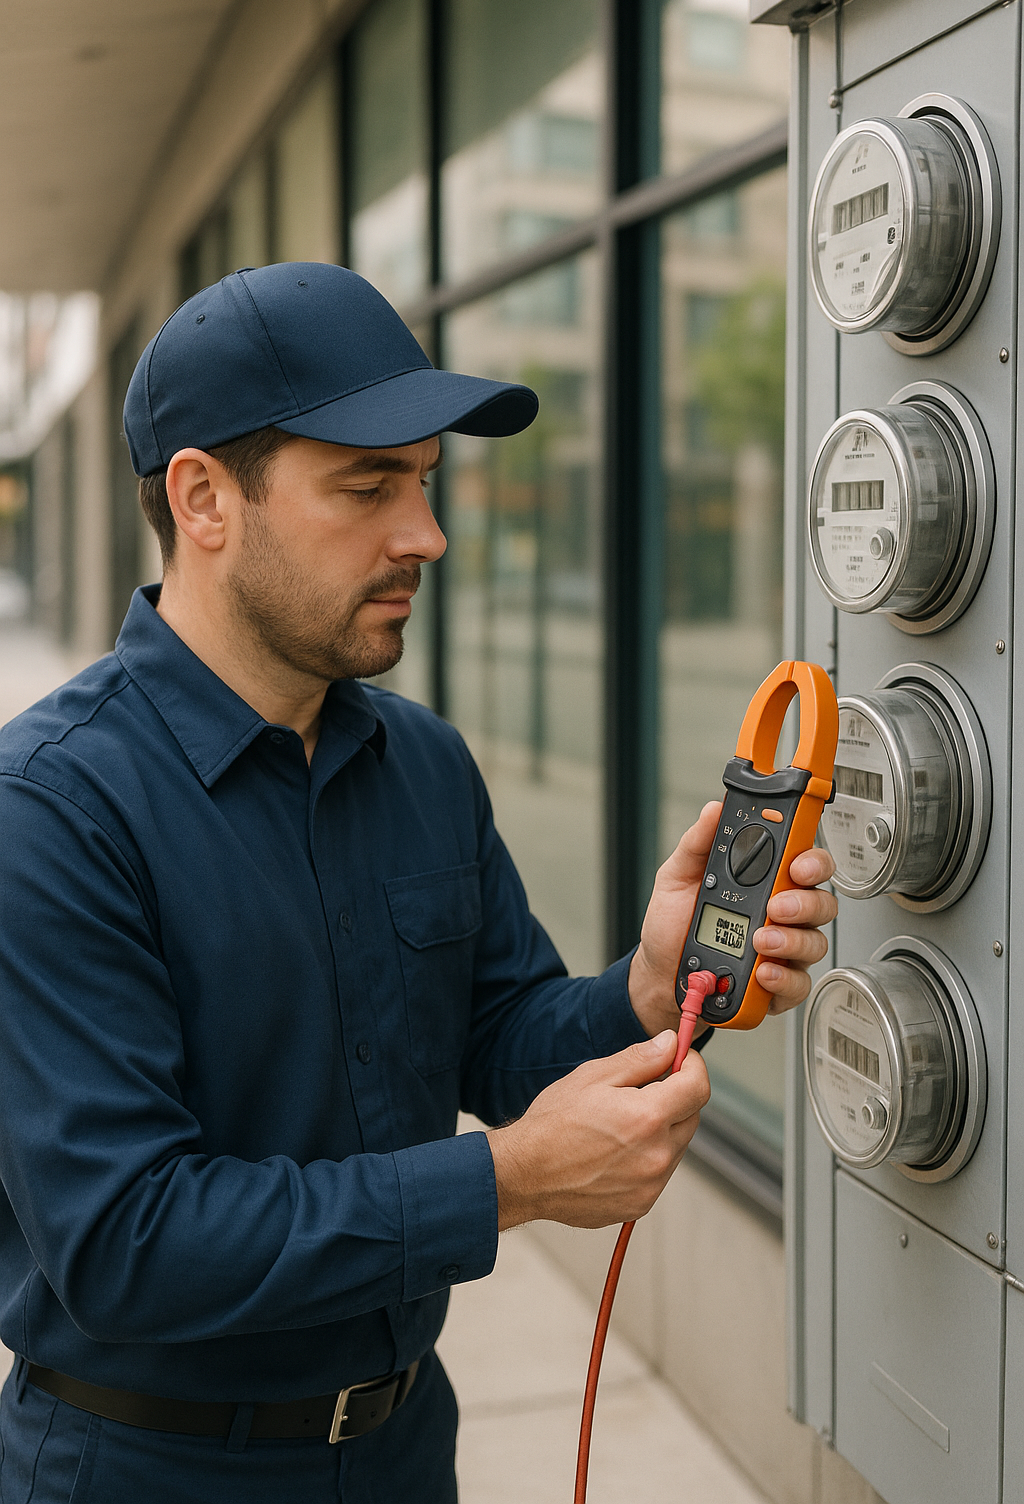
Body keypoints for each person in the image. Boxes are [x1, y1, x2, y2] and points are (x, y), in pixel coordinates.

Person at [0, 263, 836, 1503]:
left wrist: (647, 989)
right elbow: (128, 1243)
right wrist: (508, 1184)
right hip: (148, 1466)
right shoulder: (50, 812)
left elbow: (499, 1042)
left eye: (427, 484)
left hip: (404, 1451)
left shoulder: (425, 762)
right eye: (367, 486)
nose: (427, 535)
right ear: (204, 499)